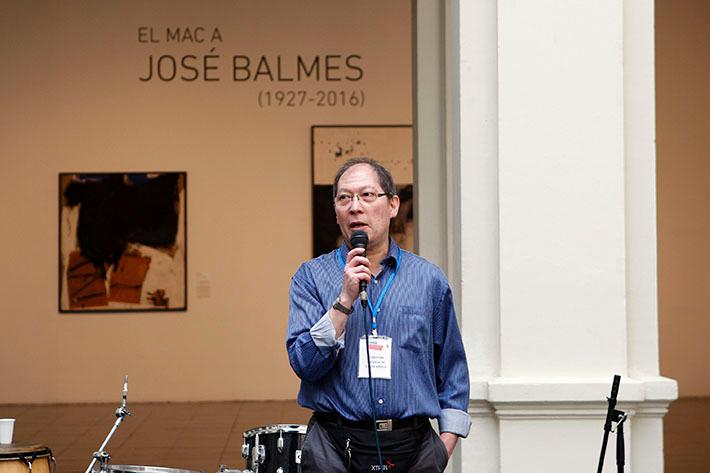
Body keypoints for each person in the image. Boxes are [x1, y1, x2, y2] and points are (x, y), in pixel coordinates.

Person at [287, 158, 471, 472]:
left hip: (414, 449)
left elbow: (452, 370)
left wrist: (444, 445)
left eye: (367, 195)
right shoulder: (311, 278)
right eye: (344, 198)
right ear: (336, 211)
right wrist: (343, 301)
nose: (355, 207)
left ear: (393, 205)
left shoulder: (429, 280)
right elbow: (304, 364)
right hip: (333, 447)